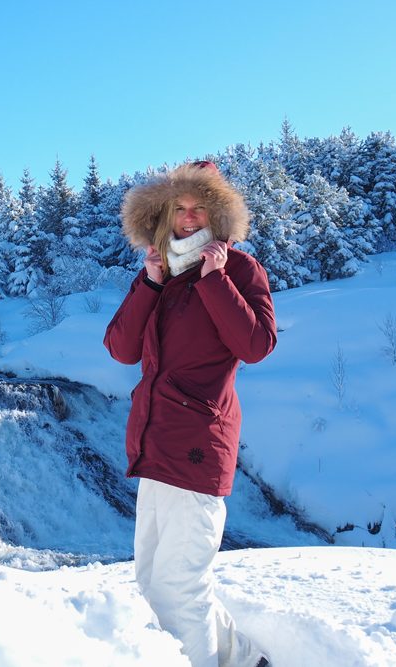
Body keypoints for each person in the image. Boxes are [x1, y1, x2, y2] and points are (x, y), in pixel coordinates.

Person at [103, 161, 276, 667]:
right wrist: (150, 283)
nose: (188, 216)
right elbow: (120, 349)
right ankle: (244, 661)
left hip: (199, 444)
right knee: (152, 580)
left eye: (200, 206)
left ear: (218, 214)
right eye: (179, 207)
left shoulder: (241, 270)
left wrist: (216, 278)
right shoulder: (160, 271)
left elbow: (256, 344)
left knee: (180, 586)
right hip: (154, 445)